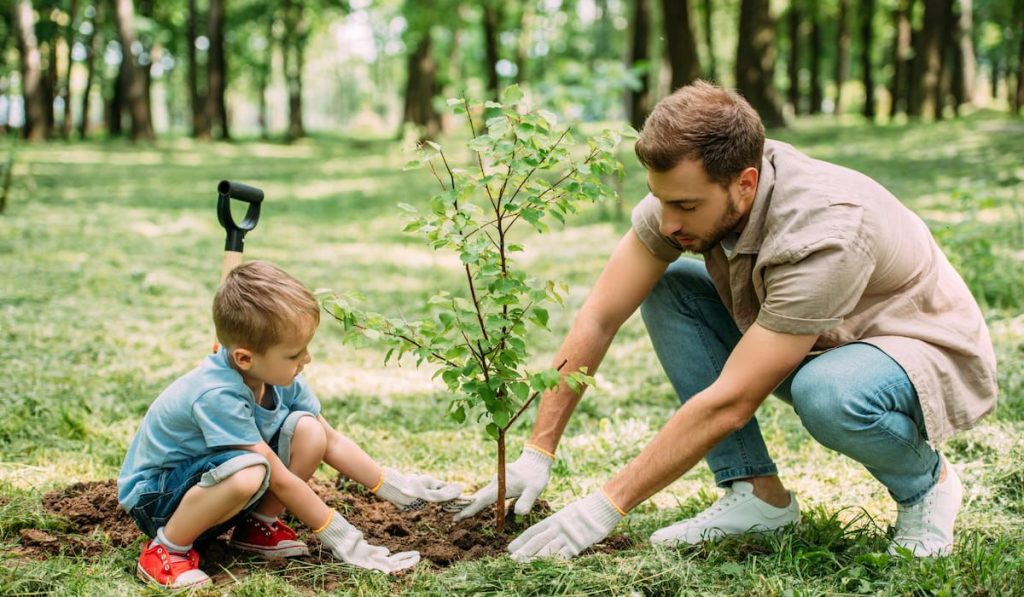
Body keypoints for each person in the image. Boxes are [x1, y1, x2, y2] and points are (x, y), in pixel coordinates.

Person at [455, 81, 998, 560]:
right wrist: (537, 450)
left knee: (826, 392)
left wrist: (604, 505)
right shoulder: (683, 197)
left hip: (914, 348)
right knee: (670, 289)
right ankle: (757, 497)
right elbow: (599, 315)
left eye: (686, 207)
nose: (668, 223)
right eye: (659, 200)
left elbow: (733, 401)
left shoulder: (825, 231)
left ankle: (927, 486)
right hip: (817, 334)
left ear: (744, 182)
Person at [117, 261, 461, 589]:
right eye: (295, 354)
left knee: (309, 431)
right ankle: (166, 550)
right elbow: (277, 478)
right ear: (245, 358)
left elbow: (331, 440)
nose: (306, 360)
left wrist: (393, 487)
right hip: (158, 500)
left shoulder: (276, 376)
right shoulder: (216, 394)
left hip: (209, 487)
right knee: (252, 469)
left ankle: (256, 527)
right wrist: (345, 538)